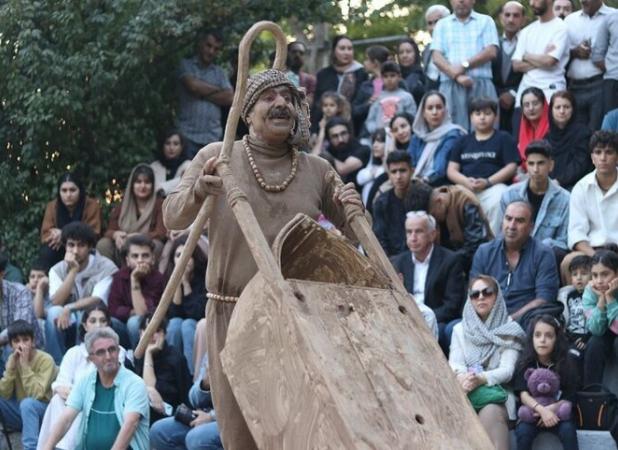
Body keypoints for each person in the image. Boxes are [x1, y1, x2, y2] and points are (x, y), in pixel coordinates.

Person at [162, 68, 364, 449]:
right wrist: (198, 193)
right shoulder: (216, 156)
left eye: (287, 97)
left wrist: (356, 209)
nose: (281, 104)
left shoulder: (317, 170)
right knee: (240, 436)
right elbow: (172, 215)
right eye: (269, 97)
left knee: (300, 433)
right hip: (231, 314)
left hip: (299, 319)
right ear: (246, 112)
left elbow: (358, 234)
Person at [449, 275, 526, 450]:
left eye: (487, 292)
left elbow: (507, 371)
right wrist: (463, 378)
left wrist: (481, 378)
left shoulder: (510, 328)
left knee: (490, 413)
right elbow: (455, 365)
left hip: (497, 395)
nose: (481, 297)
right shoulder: (459, 330)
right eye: (475, 294)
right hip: (466, 391)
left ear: (497, 296)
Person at [37, 302, 127, 450]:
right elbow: (60, 384)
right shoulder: (74, 353)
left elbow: (110, 386)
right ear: (85, 326)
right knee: (58, 400)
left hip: (105, 406)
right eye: (93, 321)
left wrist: (78, 396)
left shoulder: (118, 352)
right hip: (73, 405)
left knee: (76, 405)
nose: (98, 325)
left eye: (103, 320)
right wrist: (75, 395)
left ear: (109, 325)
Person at [41, 327, 150, 450]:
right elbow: (66, 419)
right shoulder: (85, 381)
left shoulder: (135, 384)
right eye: (101, 352)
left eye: (112, 349)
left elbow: (131, 424)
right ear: (91, 358)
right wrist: (47, 447)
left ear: (119, 351)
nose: (108, 356)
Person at [471, 201, 560, 328]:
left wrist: (510, 319)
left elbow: (545, 299)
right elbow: (474, 293)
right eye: (508, 219)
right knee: (452, 328)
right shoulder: (484, 252)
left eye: (519, 221)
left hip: (525, 320)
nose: (512, 226)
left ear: (531, 227)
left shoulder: (543, 254)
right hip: (487, 318)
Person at [390, 211, 465, 353]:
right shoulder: (397, 262)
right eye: (409, 232)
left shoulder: (450, 260)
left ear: (432, 234)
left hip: (437, 320)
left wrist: (424, 318)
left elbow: (451, 305)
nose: (413, 237)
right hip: (406, 317)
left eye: (418, 232)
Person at [46, 222, 117, 364]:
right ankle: (58, 365)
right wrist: (72, 271)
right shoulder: (57, 270)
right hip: (66, 320)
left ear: (90, 247)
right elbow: (56, 302)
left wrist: (70, 307)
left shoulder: (106, 267)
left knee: (83, 317)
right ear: (65, 246)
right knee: (53, 313)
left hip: (97, 318)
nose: (75, 251)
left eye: (81, 245)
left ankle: (85, 363)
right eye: (71, 245)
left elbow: (97, 299)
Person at [447, 97, 520, 234]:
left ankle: (492, 241)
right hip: (465, 187)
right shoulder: (462, 141)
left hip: (493, 187)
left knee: (502, 195)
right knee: (449, 198)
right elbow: (451, 170)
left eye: (487, 113)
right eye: (478, 114)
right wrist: (465, 181)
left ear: (496, 117)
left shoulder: (504, 138)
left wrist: (488, 182)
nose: (482, 118)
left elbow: (511, 167)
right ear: (470, 117)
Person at [513, 315, 579, 450]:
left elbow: (570, 395)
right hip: (532, 413)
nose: (542, 340)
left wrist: (551, 410)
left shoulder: (566, 363)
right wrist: (542, 410)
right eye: (537, 335)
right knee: (523, 433)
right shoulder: (524, 362)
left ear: (557, 339)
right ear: (532, 338)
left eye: (549, 336)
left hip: (558, 414)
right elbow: (523, 394)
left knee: (568, 431)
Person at [431, 0, 499, 130]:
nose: (461, 1)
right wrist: (457, 76)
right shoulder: (442, 25)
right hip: (450, 86)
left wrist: (463, 66)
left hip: (481, 85)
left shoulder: (486, 21)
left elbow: (491, 51)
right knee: (451, 132)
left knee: (486, 132)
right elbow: (436, 57)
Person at [500, 140, 570, 262]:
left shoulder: (565, 199)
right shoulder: (509, 194)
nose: (535, 169)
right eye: (531, 164)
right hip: (512, 255)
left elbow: (563, 242)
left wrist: (535, 250)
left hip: (546, 259)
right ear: (526, 165)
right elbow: (500, 234)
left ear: (551, 165)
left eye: (541, 163)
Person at [176, 29, 233, 157]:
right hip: (187, 136)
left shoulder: (220, 73)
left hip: (212, 138)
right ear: (201, 43)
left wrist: (201, 91)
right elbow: (193, 86)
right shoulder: (186, 65)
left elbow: (230, 97)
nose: (211, 51)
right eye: (209, 45)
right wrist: (219, 90)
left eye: (216, 49)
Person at [0, 320, 56, 450]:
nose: (21, 345)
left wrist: (24, 366)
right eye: (16, 341)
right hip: (21, 412)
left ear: (33, 341)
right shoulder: (12, 358)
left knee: (28, 404)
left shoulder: (46, 360)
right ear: (10, 344)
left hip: (44, 412)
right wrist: (11, 369)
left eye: (25, 340)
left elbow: (37, 394)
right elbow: (5, 393)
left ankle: (30, 448)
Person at [96, 163, 167, 266]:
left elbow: (161, 233)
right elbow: (109, 231)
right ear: (132, 185)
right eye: (138, 182)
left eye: (147, 182)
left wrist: (137, 237)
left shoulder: (160, 204)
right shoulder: (123, 205)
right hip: (124, 247)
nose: (142, 186)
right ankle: (111, 279)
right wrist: (115, 235)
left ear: (153, 185)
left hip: (146, 246)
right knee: (103, 244)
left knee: (157, 245)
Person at [149, 355, 222, 450]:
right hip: (205, 413)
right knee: (158, 431)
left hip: (229, 421)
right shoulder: (212, 350)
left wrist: (211, 417)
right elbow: (193, 400)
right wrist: (205, 384)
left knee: (196, 438)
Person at [565, 0, 616, 131]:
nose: (582, 1)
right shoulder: (569, 20)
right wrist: (575, 52)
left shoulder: (614, 16)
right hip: (573, 87)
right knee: (576, 135)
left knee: (598, 134)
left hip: (600, 86)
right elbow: (559, 54)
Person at [108, 234, 165, 349]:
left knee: (134, 323)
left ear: (153, 259)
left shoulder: (158, 279)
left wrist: (135, 280)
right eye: (135, 256)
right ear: (127, 260)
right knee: (109, 323)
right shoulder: (119, 277)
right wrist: (131, 311)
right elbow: (113, 309)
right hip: (122, 328)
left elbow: (144, 314)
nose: (140, 260)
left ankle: (139, 358)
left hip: (151, 329)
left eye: (145, 256)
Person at [567, 131, 618, 258]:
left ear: (617, 157)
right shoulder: (581, 188)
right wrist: (597, 258)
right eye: (598, 152)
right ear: (592, 158)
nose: (603, 158)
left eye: (609, 152)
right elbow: (576, 234)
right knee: (568, 261)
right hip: (591, 252)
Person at [134, 314, 191, 424]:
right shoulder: (135, 357)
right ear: (140, 333)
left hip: (169, 415)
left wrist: (149, 352)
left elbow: (158, 394)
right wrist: (148, 354)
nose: (151, 335)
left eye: (157, 331)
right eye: (147, 330)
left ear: (164, 334)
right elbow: (149, 391)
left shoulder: (175, 357)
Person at [512, 0, 569, 107]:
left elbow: (549, 61)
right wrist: (542, 56)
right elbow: (516, 66)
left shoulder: (561, 28)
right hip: (523, 98)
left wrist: (526, 56)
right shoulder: (526, 31)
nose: (531, 3)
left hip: (550, 94)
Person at [39, 172, 102, 269]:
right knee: (47, 251)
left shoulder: (92, 205)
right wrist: (57, 236)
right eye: (64, 190)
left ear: (80, 190)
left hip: (82, 246)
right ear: (59, 192)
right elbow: (46, 234)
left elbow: (94, 232)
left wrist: (63, 234)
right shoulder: (52, 206)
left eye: (72, 190)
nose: (68, 195)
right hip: (60, 246)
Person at [164, 235, 207, 375]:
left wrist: (186, 283)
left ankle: (191, 375)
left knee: (187, 325)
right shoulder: (167, 277)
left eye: (187, 255)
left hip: (197, 326)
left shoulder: (204, 278)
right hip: (178, 323)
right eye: (178, 255)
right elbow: (173, 314)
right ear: (173, 259)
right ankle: (172, 373)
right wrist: (177, 282)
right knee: (175, 324)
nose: (182, 259)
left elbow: (196, 313)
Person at [429, 185, 493, 270]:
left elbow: (475, 244)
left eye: (433, 214)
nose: (434, 219)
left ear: (439, 202)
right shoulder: (443, 210)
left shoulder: (465, 202)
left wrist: (449, 260)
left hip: (479, 262)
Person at [409, 90, 466, 187]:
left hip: (440, 185)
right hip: (415, 181)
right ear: (423, 113)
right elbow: (409, 163)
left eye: (439, 107)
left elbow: (440, 167)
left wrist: (423, 181)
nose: (434, 112)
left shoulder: (453, 135)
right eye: (430, 108)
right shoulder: (417, 137)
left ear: (445, 110)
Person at [313, 35, 368, 134]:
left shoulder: (361, 73)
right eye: (342, 48)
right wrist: (314, 132)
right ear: (334, 51)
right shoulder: (323, 75)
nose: (346, 52)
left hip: (354, 128)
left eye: (349, 49)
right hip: (326, 129)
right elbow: (317, 105)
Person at [582, 249, 618, 385]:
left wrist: (610, 298)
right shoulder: (590, 291)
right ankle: (593, 396)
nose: (599, 281)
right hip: (605, 330)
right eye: (595, 275)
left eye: (605, 274)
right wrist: (602, 300)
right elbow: (596, 330)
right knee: (594, 344)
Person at [0, 254, 44, 362]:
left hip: (29, 347)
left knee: (12, 348)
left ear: (1, 274)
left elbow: (19, 328)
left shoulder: (20, 291)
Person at [546, 90, 592, 190]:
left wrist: (559, 181)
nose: (562, 111)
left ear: (573, 109)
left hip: (577, 186)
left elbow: (580, 163)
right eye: (558, 107)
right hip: (550, 185)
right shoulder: (547, 137)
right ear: (551, 110)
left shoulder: (583, 133)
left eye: (566, 107)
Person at [492, 1, 525, 134]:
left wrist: (513, 94)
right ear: (501, 18)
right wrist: (499, 95)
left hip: (521, 103)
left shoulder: (528, 42)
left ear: (523, 19)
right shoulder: (492, 44)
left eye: (516, 15)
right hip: (495, 102)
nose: (511, 19)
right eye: (507, 15)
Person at [557, 254, 592, 378]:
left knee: (575, 357)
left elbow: (597, 320)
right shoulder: (567, 297)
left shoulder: (595, 296)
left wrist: (587, 338)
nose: (579, 278)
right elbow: (565, 320)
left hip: (588, 337)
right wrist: (569, 336)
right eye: (575, 274)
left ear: (592, 275)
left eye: (583, 273)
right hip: (571, 337)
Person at [373, 150, 414, 256]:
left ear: (412, 171)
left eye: (403, 170)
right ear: (389, 175)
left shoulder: (425, 196)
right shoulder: (381, 203)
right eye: (394, 172)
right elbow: (380, 240)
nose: (398, 176)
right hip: (393, 262)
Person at [364, 62, 417, 137]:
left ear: (399, 77)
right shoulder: (377, 97)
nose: (389, 79)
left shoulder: (406, 97)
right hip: (380, 136)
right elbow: (370, 120)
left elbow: (412, 118)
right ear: (382, 78)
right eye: (385, 76)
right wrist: (376, 131)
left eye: (392, 75)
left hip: (400, 135)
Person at [322, 117, 370, 190]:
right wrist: (321, 134)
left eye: (343, 133)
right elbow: (313, 158)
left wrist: (327, 156)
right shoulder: (331, 150)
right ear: (329, 139)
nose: (340, 139)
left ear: (349, 133)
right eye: (335, 136)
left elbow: (343, 169)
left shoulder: (363, 149)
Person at [352, 45, 391, 133]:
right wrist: (368, 104)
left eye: (367, 59)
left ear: (375, 63)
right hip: (367, 132)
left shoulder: (394, 83)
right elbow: (354, 111)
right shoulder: (365, 86)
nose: (364, 62)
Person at [592, 6, 618, 117]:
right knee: (611, 125)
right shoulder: (611, 18)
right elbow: (597, 56)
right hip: (613, 82)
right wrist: (613, 68)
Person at [150, 129, 191, 197]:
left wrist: (162, 188)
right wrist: (179, 180)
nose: (171, 148)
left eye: (176, 144)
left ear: (182, 147)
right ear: (162, 146)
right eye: (167, 143)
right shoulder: (154, 167)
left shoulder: (189, 166)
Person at [517, 87, 549, 167]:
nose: (531, 108)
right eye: (526, 105)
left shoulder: (553, 129)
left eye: (535, 104)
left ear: (544, 105)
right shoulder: (520, 128)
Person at [422, 5, 451, 91]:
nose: (433, 27)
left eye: (437, 22)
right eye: (430, 23)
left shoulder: (458, 45)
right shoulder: (427, 50)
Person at [357, 129, 386, 206]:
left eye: (379, 141)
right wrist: (371, 174)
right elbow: (359, 179)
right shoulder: (374, 165)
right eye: (373, 142)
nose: (375, 145)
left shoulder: (392, 168)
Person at [285, 41, 316, 106]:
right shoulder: (277, 76)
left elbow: (310, 102)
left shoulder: (310, 80)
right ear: (286, 54)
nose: (297, 55)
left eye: (301, 53)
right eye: (294, 52)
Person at [397, 37, 426, 105]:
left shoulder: (422, 75)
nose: (404, 55)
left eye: (408, 52)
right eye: (401, 52)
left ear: (415, 53)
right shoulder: (393, 75)